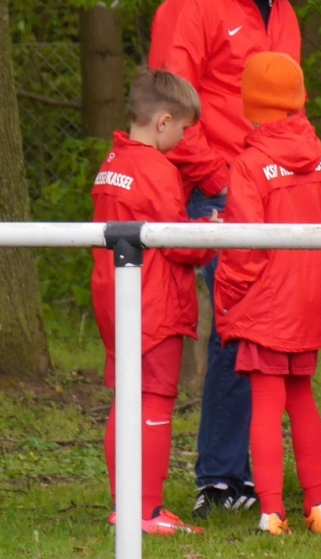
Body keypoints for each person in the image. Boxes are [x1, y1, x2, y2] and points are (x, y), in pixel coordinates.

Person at [148, 0, 317, 517]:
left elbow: (292, 105)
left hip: (269, 188)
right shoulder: (191, 7)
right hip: (216, 187)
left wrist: (294, 173)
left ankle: (238, 474)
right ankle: (221, 479)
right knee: (235, 329)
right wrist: (219, 176)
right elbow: (170, 106)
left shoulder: (284, 11)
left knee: (261, 329)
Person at [213, 52, 321, 536]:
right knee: (302, 399)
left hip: (265, 302)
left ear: (249, 104)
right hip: (308, 299)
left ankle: (271, 510)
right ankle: (319, 506)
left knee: (266, 404)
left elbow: (244, 245)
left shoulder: (249, 165)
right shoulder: (317, 156)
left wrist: (228, 298)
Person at [91, 68, 216, 535]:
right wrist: (210, 231)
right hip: (155, 304)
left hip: (115, 299)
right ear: (163, 121)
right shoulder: (157, 168)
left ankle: (124, 505)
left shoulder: (113, 162)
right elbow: (177, 241)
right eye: (183, 129)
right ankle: (147, 510)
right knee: (156, 404)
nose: (183, 139)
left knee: (125, 400)